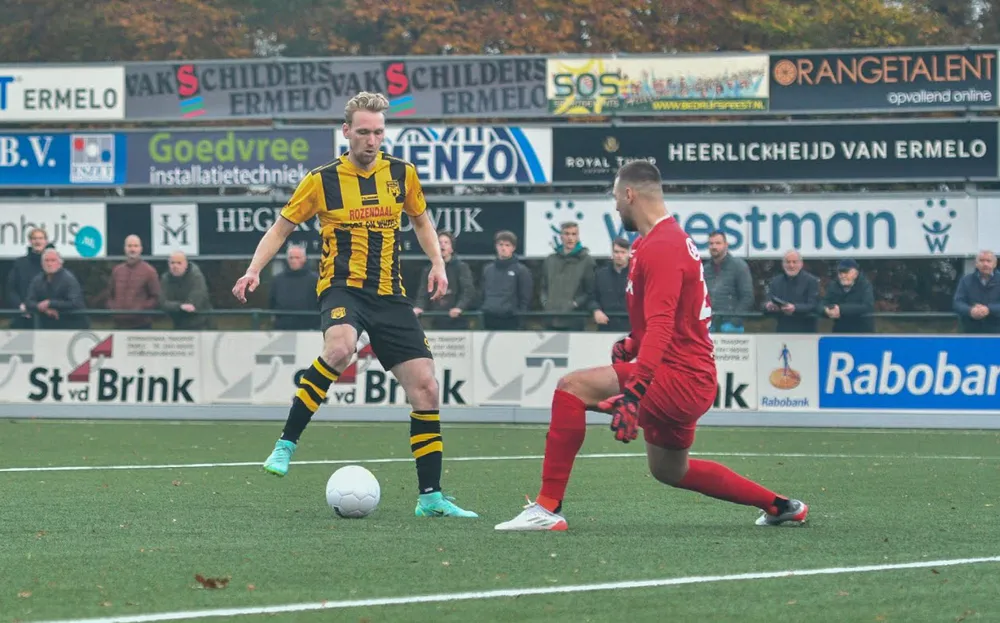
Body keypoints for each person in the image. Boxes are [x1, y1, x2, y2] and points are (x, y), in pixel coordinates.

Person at [495, 161, 807, 532]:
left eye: (615, 197)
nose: (615, 206)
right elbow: (672, 318)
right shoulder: (654, 243)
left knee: (571, 387)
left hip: (679, 378)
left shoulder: (663, 246)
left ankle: (547, 509)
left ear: (629, 194)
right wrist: (633, 342)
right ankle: (781, 506)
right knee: (670, 470)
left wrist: (634, 394)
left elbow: (662, 325)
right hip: (687, 376)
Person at [231, 91, 477, 519]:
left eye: (378, 132)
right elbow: (280, 229)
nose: (372, 140)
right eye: (364, 132)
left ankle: (431, 497)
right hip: (342, 288)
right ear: (346, 132)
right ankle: (285, 444)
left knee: (426, 387)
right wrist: (253, 270)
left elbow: (421, 221)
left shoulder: (401, 173)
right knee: (341, 348)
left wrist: (438, 264)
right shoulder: (321, 180)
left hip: (390, 294)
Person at [413, 231, 475, 330]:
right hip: (435, 320)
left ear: (451, 248)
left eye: (446, 242)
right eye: (439, 242)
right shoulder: (428, 270)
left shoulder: (461, 267)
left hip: (457, 321)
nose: (442, 245)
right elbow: (423, 292)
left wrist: (459, 307)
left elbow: (468, 291)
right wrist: (419, 307)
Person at [540, 221, 596, 331]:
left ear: (578, 237)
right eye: (566, 234)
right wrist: (545, 303)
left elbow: (590, 291)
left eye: (574, 234)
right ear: (561, 236)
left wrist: (575, 304)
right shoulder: (550, 260)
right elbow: (543, 287)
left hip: (574, 320)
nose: (570, 238)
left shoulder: (587, 261)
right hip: (550, 318)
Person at [105, 235, 161, 330]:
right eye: (129, 246)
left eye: (135, 246)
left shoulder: (149, 271)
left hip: (141, 326)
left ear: (141, 249)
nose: (132, 249)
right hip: (118, 325)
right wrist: (113, 309)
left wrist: (140, 310)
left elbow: (156, 297)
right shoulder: (117, 270)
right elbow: (109, 295)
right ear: (125, 248)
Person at [479, 230, 533, 330]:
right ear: (496, 246)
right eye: (500, 245)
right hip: (489, 318)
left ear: (513, 248)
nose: (503, 248)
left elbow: (525, 298)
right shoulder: (487, 269)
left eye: (507, 245)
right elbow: (483, 293)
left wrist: (521, 320)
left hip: (511, 320)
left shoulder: (521, 270)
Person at [24, 248, 89, 330]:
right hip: (48, 326)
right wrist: (44, 309)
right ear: (42, 264)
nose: (49, 264)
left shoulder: (69, 279)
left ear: (60, 263)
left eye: (53, 260)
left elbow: (75, 303)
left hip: (72, 325)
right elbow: (29, 301)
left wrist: (50, 303)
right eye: (46, 261)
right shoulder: (37, 280)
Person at [704, 231, 754, 333]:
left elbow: (747, 297)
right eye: (711, 243)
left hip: (731, 327)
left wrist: (734, 322)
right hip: (709, 325)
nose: (714, 247)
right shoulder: (705, 269)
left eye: (718, 243)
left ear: (726, 245)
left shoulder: (739, 266)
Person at [5, 228, 53, 329]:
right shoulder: (19, 264)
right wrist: (20, 305)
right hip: (24, 319)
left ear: (46, 241)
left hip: (49, 319)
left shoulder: (53, 263)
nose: (37, 241)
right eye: (34, 238)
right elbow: (10, 289)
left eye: (40, 238)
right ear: (30, 241)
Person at [763, 250, 820, 333]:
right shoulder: (776, 281)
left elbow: (814, 305)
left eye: (794, 262)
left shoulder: (811, 281)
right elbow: (766, 301)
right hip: (783, 329)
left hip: (805, 330)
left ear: (801, 264)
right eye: (788, 262)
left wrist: (795, 308)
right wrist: (768, 305)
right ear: (783, 264)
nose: (791, 265)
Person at [269, 244, 320, 331]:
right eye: (291, 258)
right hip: (282, 328)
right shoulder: (277, 280)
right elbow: (272, 302)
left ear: (304, 259)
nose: (294, 260)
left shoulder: (315, 279)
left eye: (297, 257)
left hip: (310, 328)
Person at [159, 251, 213, 330]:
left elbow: (193, 305)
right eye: (172, 263)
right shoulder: (165, 279)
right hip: (179, 324)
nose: (175, 266)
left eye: (179, 263)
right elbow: (162, 303)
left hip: (203, 324)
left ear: (186, 265)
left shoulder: (196, 277)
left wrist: (174, 307)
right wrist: (180, 306)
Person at [821, 259, 874, 334]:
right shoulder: (834, 285)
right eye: (840, 273)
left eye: (846, 272)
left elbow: (867, 306)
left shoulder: (865, 285)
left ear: (856, 274)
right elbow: (822, 303)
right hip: (840, 331)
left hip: (862, 331)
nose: (843, 276)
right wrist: (825, 310)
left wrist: (841, 309)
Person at [953, 250, 1000, 334]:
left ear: (995, 264)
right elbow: (958, 303)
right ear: (976, 264)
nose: (985, 264)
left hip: (997, 331)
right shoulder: (966, 280)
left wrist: (989, 309)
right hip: (970, 331)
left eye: (988, 261)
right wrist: (970, 310)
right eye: (981, 260)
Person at [591, 237, 631, 333]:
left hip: (630, 328)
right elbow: (591, 297)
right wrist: (596, 310)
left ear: (629, 253)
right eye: (616, 252)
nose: (619, 255)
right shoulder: (600, 274)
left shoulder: (637, 275)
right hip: (606, 327)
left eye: (623, 252)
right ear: (612, 253)